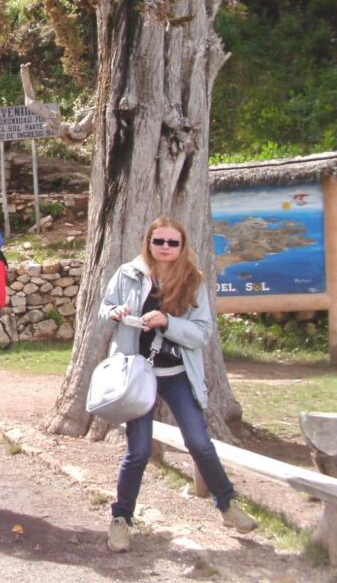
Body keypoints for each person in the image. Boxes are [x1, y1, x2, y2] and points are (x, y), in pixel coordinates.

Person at [101, 217, 258, 553]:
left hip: (176, 376)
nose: (166, 248)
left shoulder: (193, 280)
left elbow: (202, 333)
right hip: (137, 375)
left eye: (173, 243)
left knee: (199, 442)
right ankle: (122, 519)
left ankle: (227, 505)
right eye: (160, 241)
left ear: (182, 245)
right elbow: (103, 309)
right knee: (139, 450)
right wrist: (114, 312)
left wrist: (167, 322)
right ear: (149, 242)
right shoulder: (128, 273)